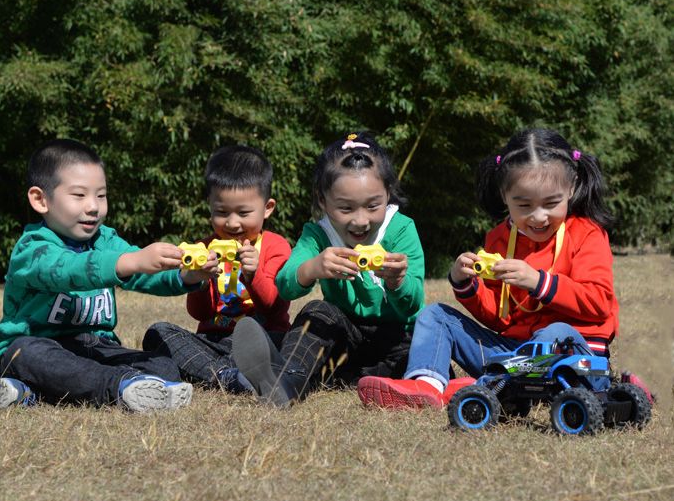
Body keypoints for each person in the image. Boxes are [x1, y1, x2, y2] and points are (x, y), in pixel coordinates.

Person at [358, 127, 622, 409]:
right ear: (504, 196)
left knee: (554, 330)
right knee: (435, 314)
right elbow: (501, 320)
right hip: (512, 352)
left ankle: (497, 385)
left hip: (571, 359)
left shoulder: (587, 234)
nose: (539, 216)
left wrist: (537, 281)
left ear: (571, 188)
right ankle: (427, 385)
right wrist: (466, 285)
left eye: (551, 203)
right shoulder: (500, 238)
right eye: (523, 205)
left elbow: (598, 304)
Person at [0, 139, 208, 412]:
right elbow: (69, 269)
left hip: (93, 347)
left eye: (101, 195)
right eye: (79, 195)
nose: (93, 206)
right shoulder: (32, 248)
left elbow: (143, 275)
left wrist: (188, 276)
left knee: (163, 364)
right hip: (34, 347)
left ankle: (36, 390)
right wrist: (131, 260)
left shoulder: (106, 240)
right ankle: (121, 386)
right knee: (27, 354)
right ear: (40, 199)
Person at [230, 132, 425, 408]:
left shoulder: (401, 229)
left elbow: (412, 304)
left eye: (373, 206)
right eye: (345, 208)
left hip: (395, 335)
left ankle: (403, 381)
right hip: (343, 334)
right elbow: (285, 283)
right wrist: (313, 267)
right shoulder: (318, 234)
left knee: (422, 343)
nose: (360, 220)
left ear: (388, 194)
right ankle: (285, 382)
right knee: (317, 313)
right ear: (323, 200)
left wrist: (398, 282)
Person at [142, 145, 291, 394]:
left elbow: (273, 307)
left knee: (285, 341)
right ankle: (229, 376)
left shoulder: (275, 247)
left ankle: (218, 371)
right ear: (210, 206)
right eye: (221, 212)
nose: (232, 223)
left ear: (267, 208)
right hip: (215, 340)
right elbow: (200, 314)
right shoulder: (204, 247)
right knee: (158, 333)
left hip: (264, 339)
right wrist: (197, 280)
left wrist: (253, 275)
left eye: (244, 213)